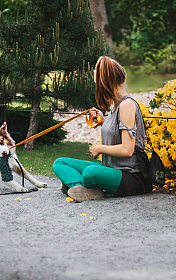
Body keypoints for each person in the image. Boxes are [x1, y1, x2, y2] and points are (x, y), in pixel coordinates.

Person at [53, 56, 149, 202]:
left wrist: (99, 148)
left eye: (98, 83)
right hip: (110, 168)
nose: (98, 87)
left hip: (131, 175)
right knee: (60, 163)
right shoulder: (115, 107)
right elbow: (117, 134)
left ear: (106, 81)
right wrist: (103, 122)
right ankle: (81, 188)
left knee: (90, 173)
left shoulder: (127, 105)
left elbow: (127, 149)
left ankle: (76, 185)